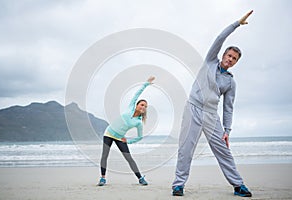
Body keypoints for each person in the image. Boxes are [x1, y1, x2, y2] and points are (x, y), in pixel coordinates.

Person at [172, 11, 253, 197]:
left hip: (211, 115)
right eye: (229, 55)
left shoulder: (231, 82)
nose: (230, 59)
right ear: (223, 54)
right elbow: (219, 37)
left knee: (223, 151)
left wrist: (227, 130)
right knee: (186, 148)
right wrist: (237, 24)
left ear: (235, 63)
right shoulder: (210, 61)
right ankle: (178, 185)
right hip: (193, 108)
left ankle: (238, 185)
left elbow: (228, 107)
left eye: (234, 59)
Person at [97, 76, 155, 186]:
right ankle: (103, 178)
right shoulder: (130, 108)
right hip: (108, 133)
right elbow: (137, 94)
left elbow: (139, 137)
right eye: (142, 104)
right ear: (137, 105)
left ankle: (140, 178)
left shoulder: (138, 122)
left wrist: (127, 141)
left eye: (145, 106)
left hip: (120, 137)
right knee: (105, 155)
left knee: (129, 158)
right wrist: (146, 84)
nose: (143, 107)